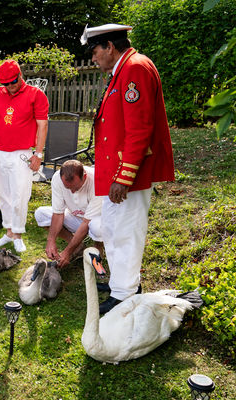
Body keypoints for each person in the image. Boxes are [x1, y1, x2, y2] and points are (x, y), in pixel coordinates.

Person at [81, 24, 174, 314]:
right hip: (115, 171)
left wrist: (124, 176)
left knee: (125, 233)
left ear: (109, 46)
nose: (93, 59)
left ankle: (125, 294)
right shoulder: (123, 69)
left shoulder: (134, 68)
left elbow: (139, 129)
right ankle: (122, 282)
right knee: (112, 229)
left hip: (127, 174)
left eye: (95, 51)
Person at [0, 60, 49, 253]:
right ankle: (9, 231)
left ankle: (18, 234)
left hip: (22, 152)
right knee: (2, 193)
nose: (9, 87)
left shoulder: (36, 95)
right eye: (5, 84)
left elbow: (43, 125)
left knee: (20, 194)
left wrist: (38, 153)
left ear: (20, 76)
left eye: (12, 82)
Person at [34, 160, 102, 268]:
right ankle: (78, 247)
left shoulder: (97, 181)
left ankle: (98, 252)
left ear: (84, 177)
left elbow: (86, 222)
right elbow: (58, 213)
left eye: (75, 187)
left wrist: (67, 252)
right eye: (68, 188)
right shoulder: (57, 178)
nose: (72, 192)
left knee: (97, 228)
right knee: (40, 214)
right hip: (75, 216)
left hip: (95, 220)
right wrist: (51, 241)